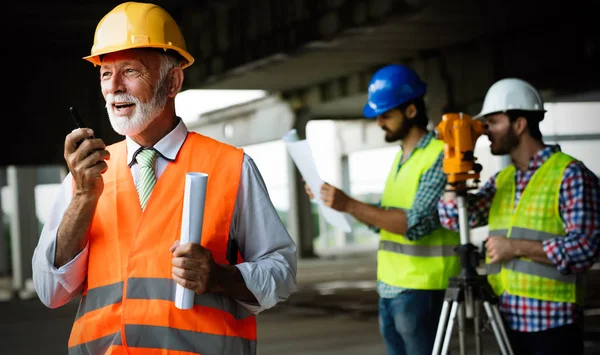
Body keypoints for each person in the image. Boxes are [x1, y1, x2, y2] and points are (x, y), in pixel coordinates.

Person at [31, 2, 297, 354]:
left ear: (172, 81)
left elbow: (281, 272)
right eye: (105, 73)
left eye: (130, 71)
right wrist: (82, 197)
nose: (114, 87)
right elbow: (51, 292)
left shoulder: (231, 167)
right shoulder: (85, 177)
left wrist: (221, 277)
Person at [304, 64, 460, 355]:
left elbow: (415, 223)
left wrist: (348, 204)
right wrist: (339, 203)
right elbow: (385, 219)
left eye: (386, 115)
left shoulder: (439, 155)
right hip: (390, 287)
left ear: (411, 111)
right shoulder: (403, 158)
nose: (379, 123)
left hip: (422, 289)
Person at [437, 78, 600, 355]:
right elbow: (452, 218)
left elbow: (584, 250)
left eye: (493, 122)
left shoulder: (570, 175)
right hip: (506, 320)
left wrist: (514, 248)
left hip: (552, 324)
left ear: (520, 124)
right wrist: (456, 164)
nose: (486, 131)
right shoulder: (504, 179)